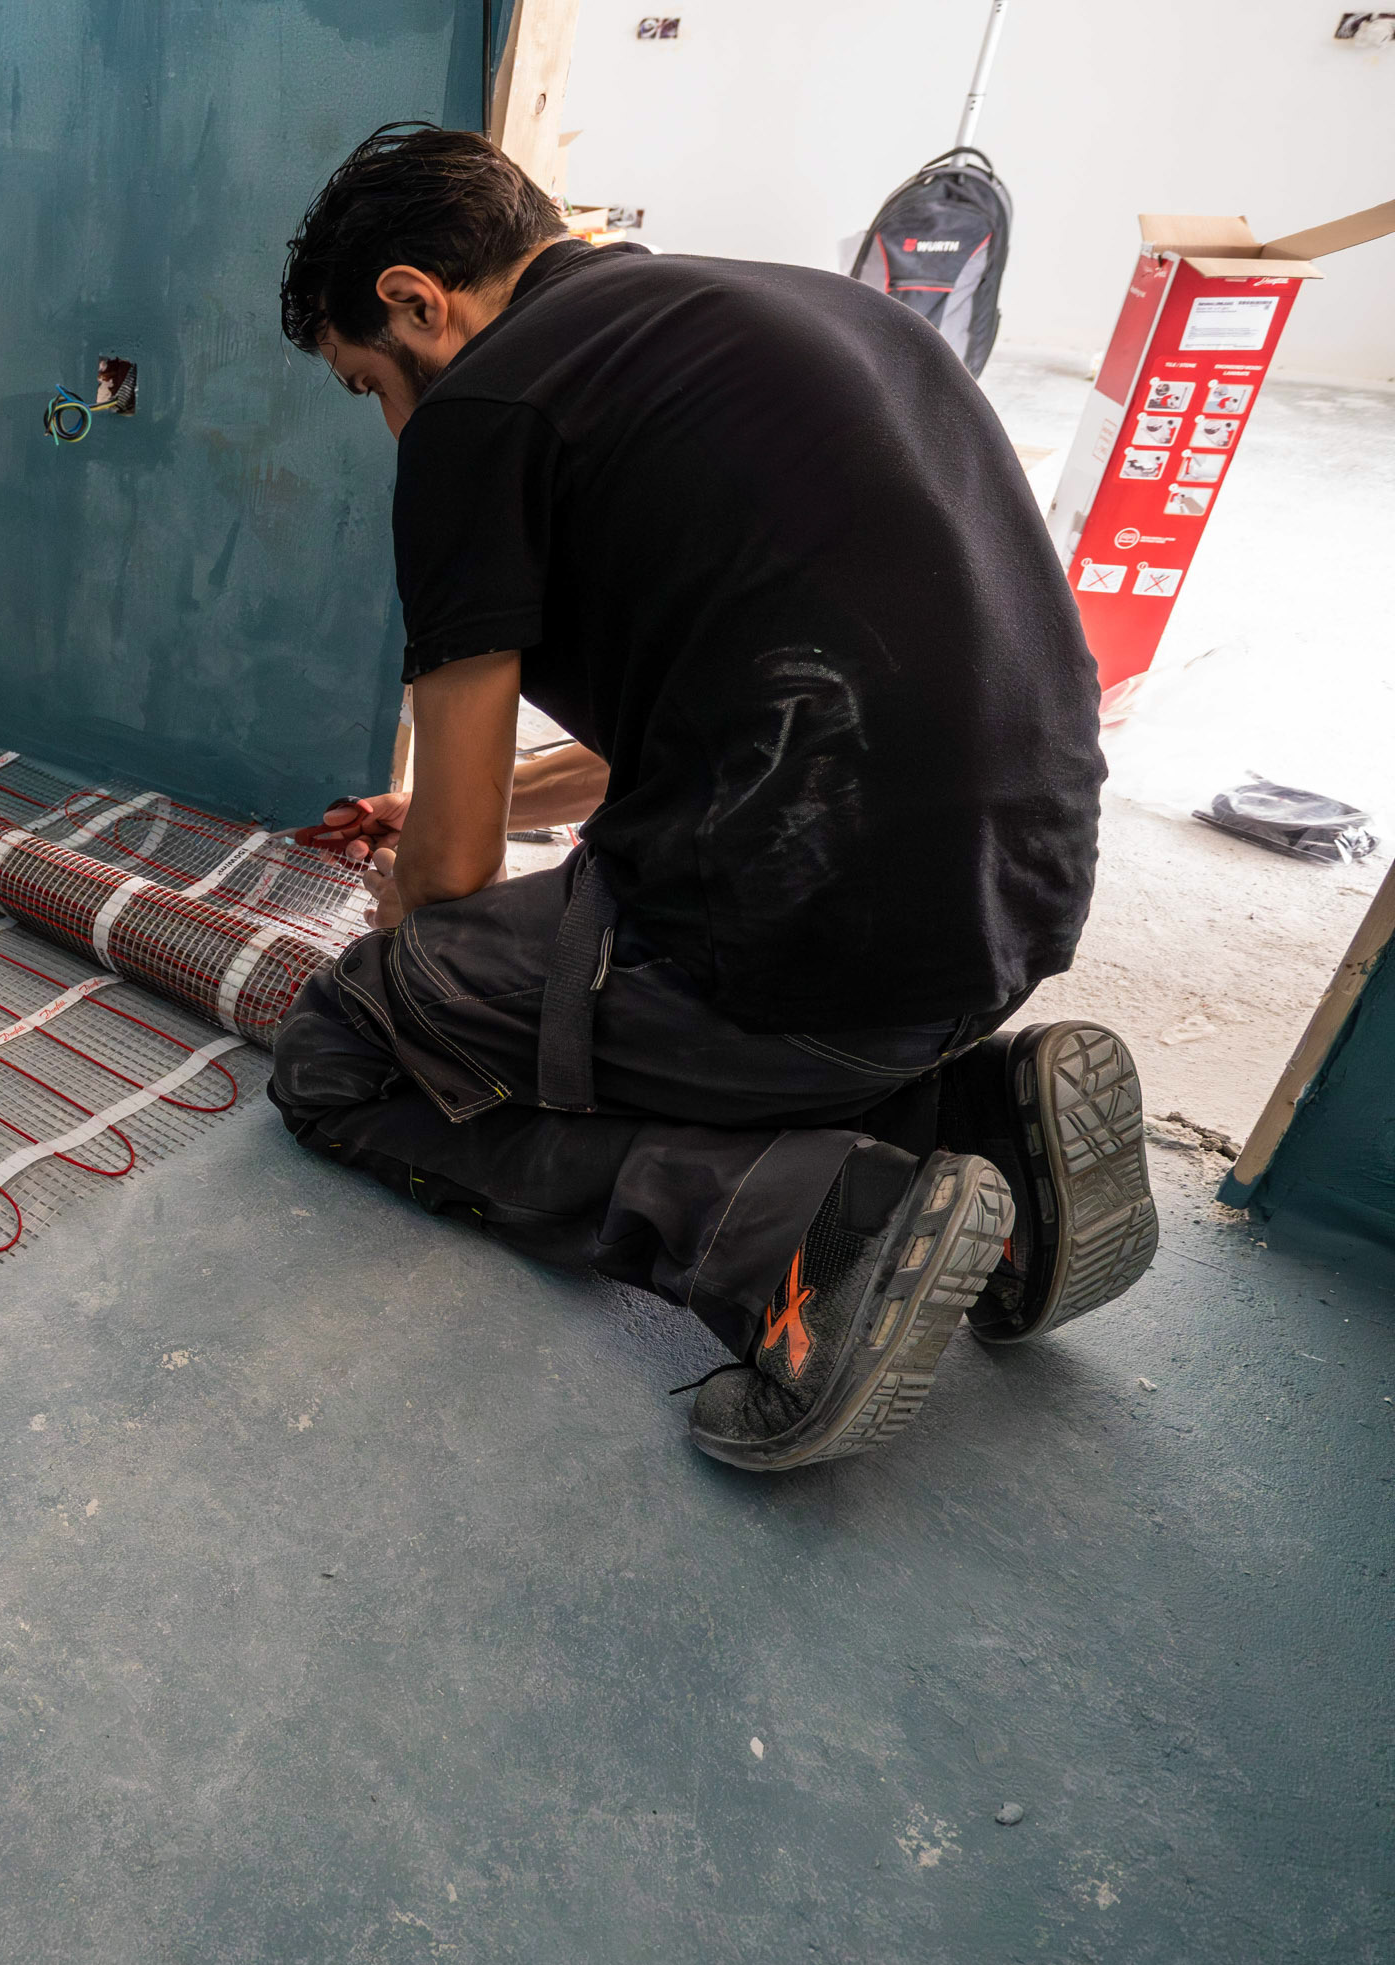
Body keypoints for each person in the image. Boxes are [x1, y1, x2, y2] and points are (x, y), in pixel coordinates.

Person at [266, 123, 1156, 1472]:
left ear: (414, 300)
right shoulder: (820, 313)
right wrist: (486, 804)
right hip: (1007, 923)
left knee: (349, 1042)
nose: (391, 421)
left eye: (367, 384)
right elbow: (754, 715)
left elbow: (447, 885)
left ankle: (802, 1236)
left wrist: (418, 920)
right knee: (660, 937)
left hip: (806, 967)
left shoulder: (479, 412)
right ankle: (975, 1121)